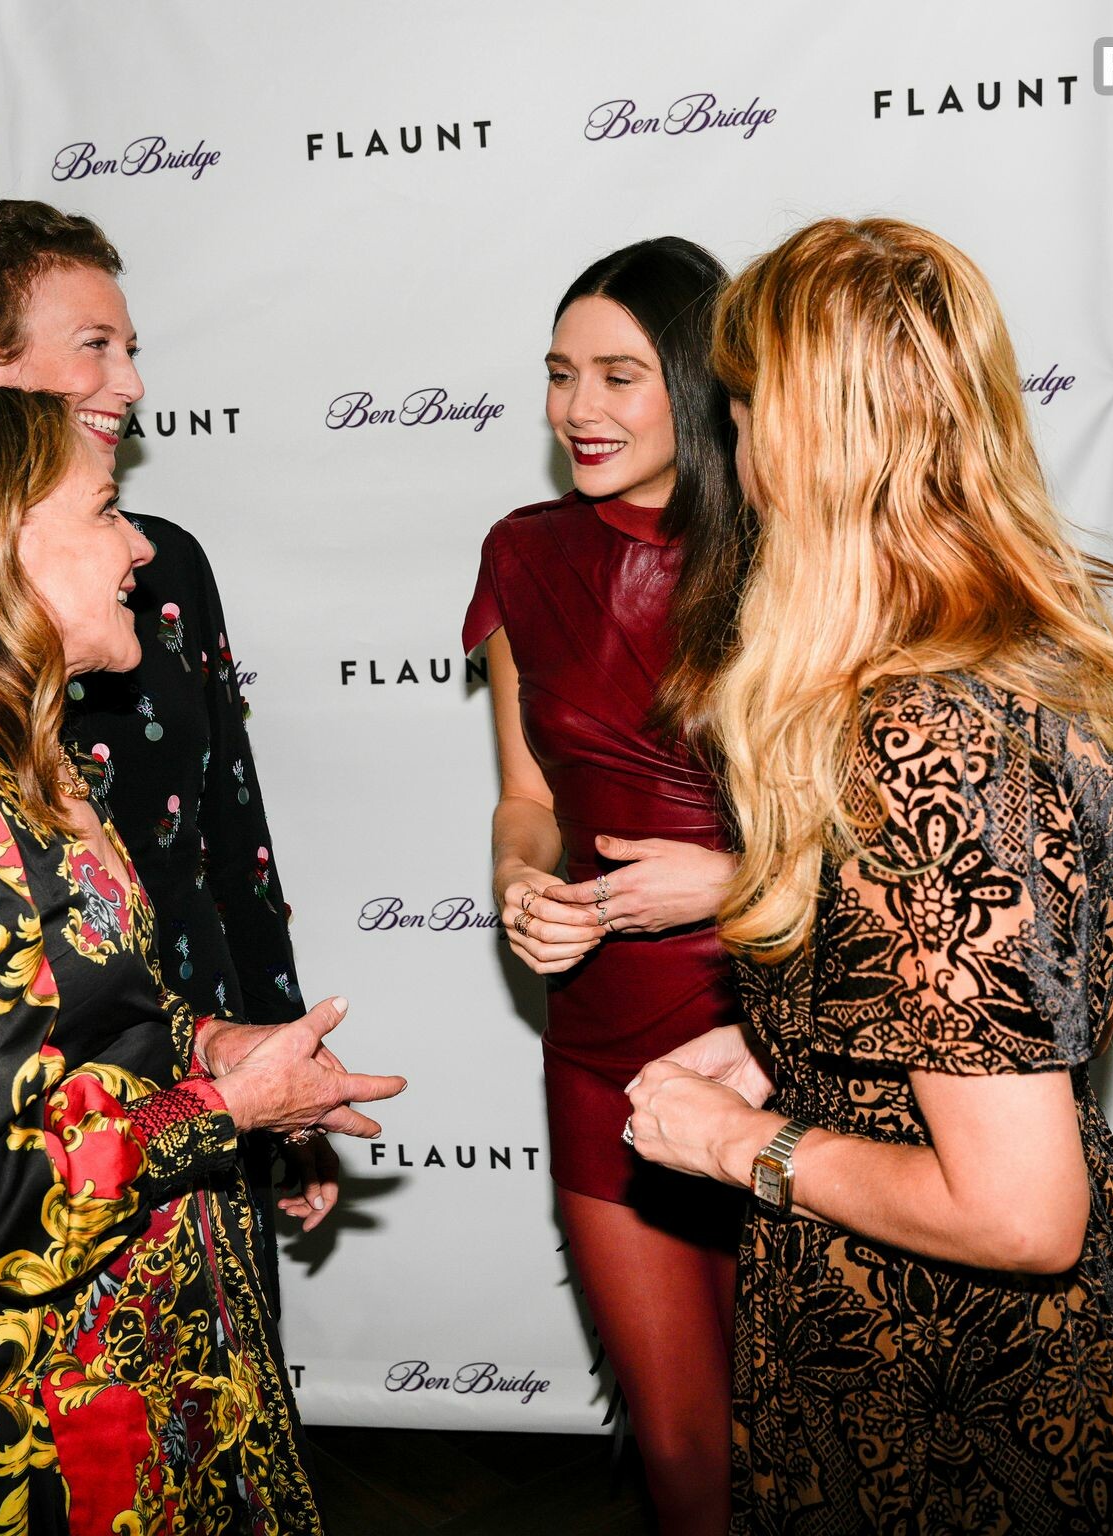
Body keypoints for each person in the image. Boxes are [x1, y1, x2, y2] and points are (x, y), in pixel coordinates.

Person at [623, 218, 1113, 1532]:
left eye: (745, 412)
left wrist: (740, 1143)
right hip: (967, 1346)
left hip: (950, 1391)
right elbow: (989, 1008)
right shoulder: (1016, 659)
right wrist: (786, 1043)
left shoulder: (924, 731)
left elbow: (1019, 1214)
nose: (735, 450)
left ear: (811, 442)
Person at [0, 384, 403, 1532]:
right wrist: (231, 1108)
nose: (139, 547)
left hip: (144, 1363)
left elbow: (92, 1014)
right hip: (28, 1431)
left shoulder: (34, 767)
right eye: (106, 511)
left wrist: (217, 1043)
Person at [0, 199, 331, 1276]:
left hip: (188, 1084)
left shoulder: (155, 578)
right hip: (55, 1184)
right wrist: (221, 1102)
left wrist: (264, 1064)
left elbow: (233, 841)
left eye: (132, 349)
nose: (130, 383)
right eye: (95, 345)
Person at [463, 237, 753, 1535]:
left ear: (693, 385)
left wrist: (731, 883)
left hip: (774, 1032)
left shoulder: (792, 557)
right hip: (597, 1046)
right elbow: (527, 800)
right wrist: (519, 883)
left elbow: (885, 847)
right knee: (682, 1442)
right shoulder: (523, 555)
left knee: (798, 1423)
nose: (576, 408)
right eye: (559, 373)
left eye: (618, 376)